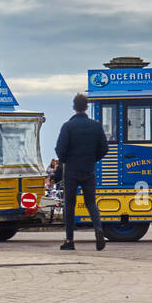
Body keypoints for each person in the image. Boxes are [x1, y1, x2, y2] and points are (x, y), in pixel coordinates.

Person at [55, 93, 109, 251]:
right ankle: (98, 230)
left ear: (74, 107)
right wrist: (93, 158)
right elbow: (104, 148)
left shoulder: (68, 126)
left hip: (71, 170)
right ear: (86, 107)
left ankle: (69, 240)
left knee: (70, 205)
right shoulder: (96, 126)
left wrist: (66, 160)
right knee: (91, 202)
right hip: (88, 169)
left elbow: (60, 149)